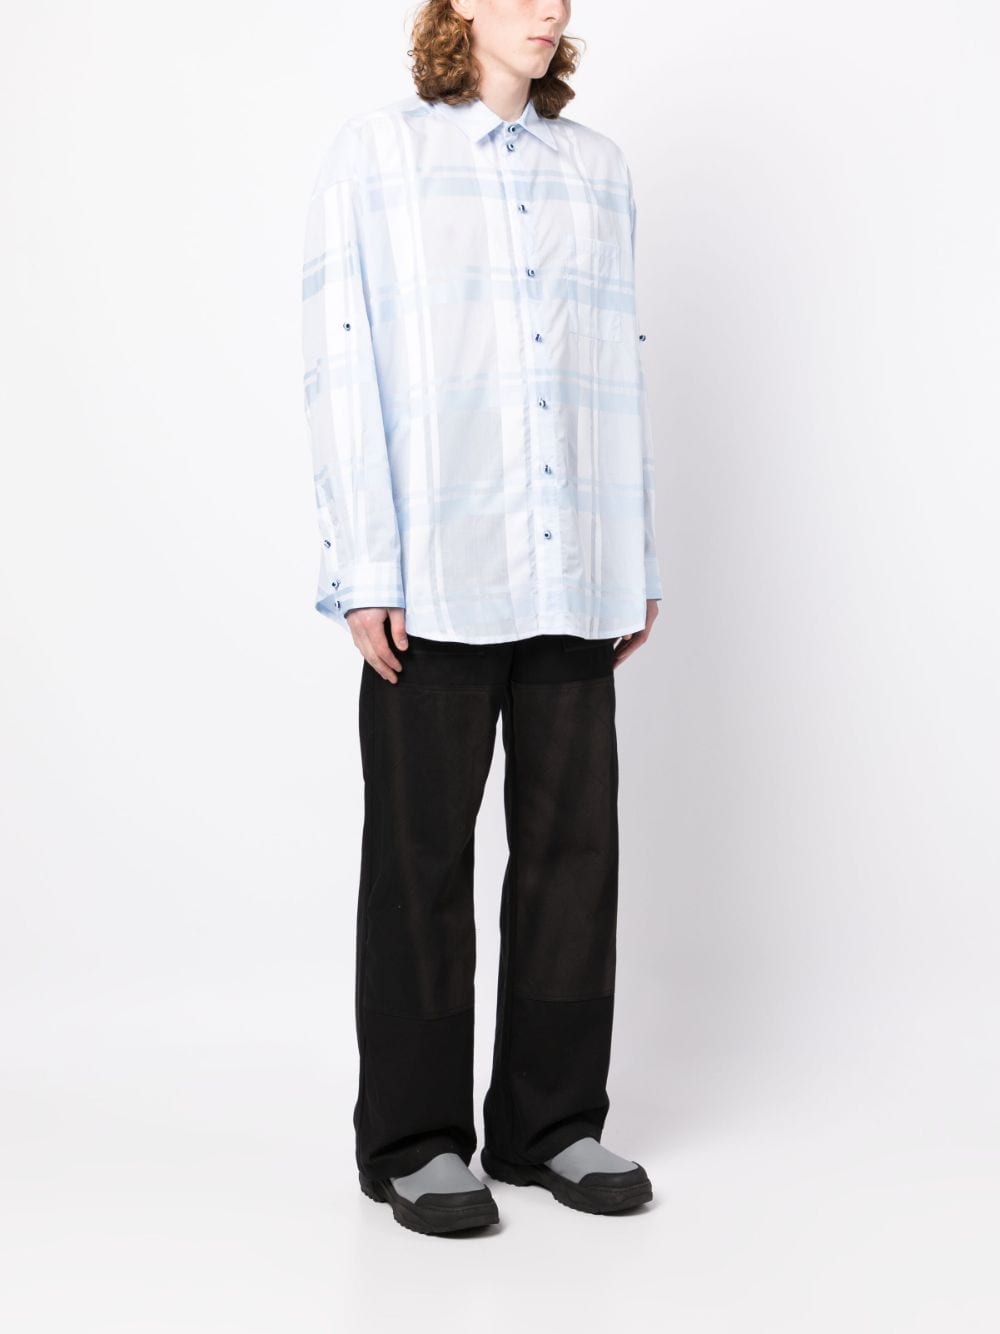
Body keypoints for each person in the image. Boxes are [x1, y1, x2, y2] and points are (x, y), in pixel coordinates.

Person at [301, 0, 662, 1235]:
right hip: (436, 571)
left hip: (575, 567)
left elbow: (615, 367)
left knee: (573, 855)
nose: (548, 9)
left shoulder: (598, 170)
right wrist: (364, 565)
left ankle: (548, 1122)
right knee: (419, 861)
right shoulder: (379, 155)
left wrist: (633, 552)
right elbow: (341, 359)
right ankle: (413, 1138)